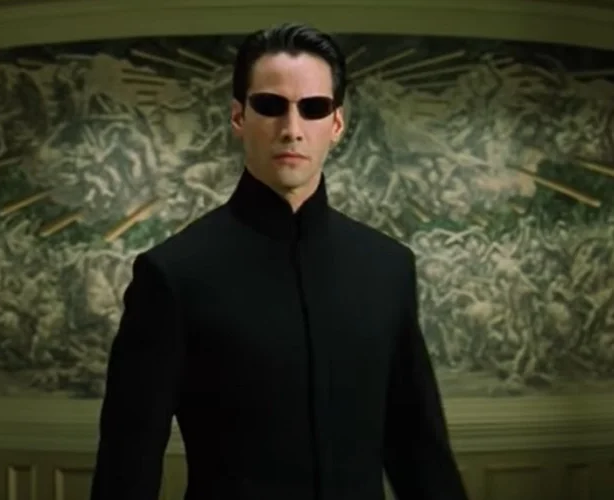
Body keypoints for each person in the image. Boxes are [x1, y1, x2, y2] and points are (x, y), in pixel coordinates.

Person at [89, 22, 469, 500]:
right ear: (238, 116)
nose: (292, 129)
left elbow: (420, 450)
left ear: (336, 124)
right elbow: (127, 466)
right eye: (271, 106)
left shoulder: (389, 268)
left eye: (313, 108)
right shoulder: (172, 275)